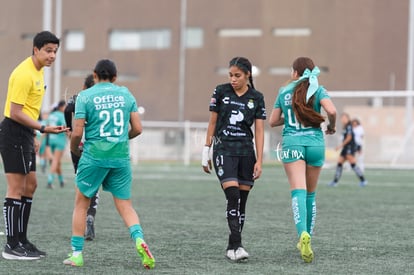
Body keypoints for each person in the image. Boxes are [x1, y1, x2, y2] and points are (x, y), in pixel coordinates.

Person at [63, 59, 155, 269]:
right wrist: (121, 138)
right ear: (115, 77)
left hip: (94, 156)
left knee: (81, 203)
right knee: (125, 205)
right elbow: (138, 129)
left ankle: (76, 254)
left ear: (94, 75)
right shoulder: (125, 94)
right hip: (120, 157)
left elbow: (77, 132)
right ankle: (140, 240)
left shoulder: (85, 96)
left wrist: (74, 149)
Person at [0, 30, 68, 260]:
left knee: (31, 186)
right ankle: (11, 246)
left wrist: (34, 134)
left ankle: (22, 240)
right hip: (13, 133)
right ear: (35, 49)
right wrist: (42, 128)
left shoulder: (39, 73)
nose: (52, 56)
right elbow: (15, 112)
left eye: (55, 52)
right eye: (48, 51)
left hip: (26, 133)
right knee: (16, 188)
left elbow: (29, 108)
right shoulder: (23, 74)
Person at [269, 57, 337, 263]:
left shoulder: (284, 92)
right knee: (310, 194)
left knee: (297, 191)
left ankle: (302, 235)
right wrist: (331, 126)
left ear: (294, 73)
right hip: (316, 144)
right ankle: (308, 236)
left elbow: (272, 122)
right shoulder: (318, 89)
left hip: (292, 145)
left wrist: (292, 115)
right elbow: (332, 111)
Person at [202, 57, 266, 262]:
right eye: (230, 75)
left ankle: (231, 247)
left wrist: (259, 160)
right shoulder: (220, 91)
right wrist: (206, 150)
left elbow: (260, 130)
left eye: (237, 75)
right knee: (232, 196)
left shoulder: (257, 97)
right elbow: (212, 122)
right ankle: (238, 245)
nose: (233, 79)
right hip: (223, 150)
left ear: (248, 75)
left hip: (247, 153)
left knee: (242, 203)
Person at [64, 74, 100, 241]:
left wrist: (69, 129)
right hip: (95, 145)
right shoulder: (101, 100)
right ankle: (90, 216)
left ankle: (80, 223)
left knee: (81, 181)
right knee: (95, 184)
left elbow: (67, 109)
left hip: (78, 145)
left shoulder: (79, 97)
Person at [328, 113, 367, 187]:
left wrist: (340, 146)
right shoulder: (346, 127)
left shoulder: (349, 126)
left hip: (349, 147)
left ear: (348, 118)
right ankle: (335, 182)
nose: (342, 120)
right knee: (339, 163)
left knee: (353, 164)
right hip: (345, 148)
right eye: (342, 118)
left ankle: (363, 180)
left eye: (344, 118)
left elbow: (349, 138)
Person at [46, 100, 67, 188]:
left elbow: (47, 128)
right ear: (61, 107)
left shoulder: (51, 115)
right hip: (60, 140)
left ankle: (61, 180)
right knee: (55, 160)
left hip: (51, 139)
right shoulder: (61, 115)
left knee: (57, 161)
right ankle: (50, 180)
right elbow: (65, 126)